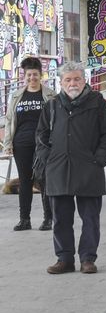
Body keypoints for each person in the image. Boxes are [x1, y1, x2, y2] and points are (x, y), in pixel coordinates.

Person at [36, 62, 106, 274]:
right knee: (61, 219)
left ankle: (87, 259)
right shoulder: (52, 105)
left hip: (89, 169)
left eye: (77, 79)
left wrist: (99, 159)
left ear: (84, 80)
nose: (73, 83)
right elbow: (41, 136)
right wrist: (49, 160)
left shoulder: (97, 102)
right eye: (68, 79)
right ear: (61, 83)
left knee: (90, 218)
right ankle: (64, 259)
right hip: (58, 170)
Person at [4, 56, 55, 232]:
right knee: (25, 181)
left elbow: (57, 120)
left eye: (35, 74)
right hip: (21, 144)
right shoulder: (17, 95)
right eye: (29, 75)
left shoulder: (50, 95)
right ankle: (24, 219)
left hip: (44, 144)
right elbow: (10, 120)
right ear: (24, 76)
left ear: (41, 75)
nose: (32, 78)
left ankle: (48, 219)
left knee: (43, 180)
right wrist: (8, 144)